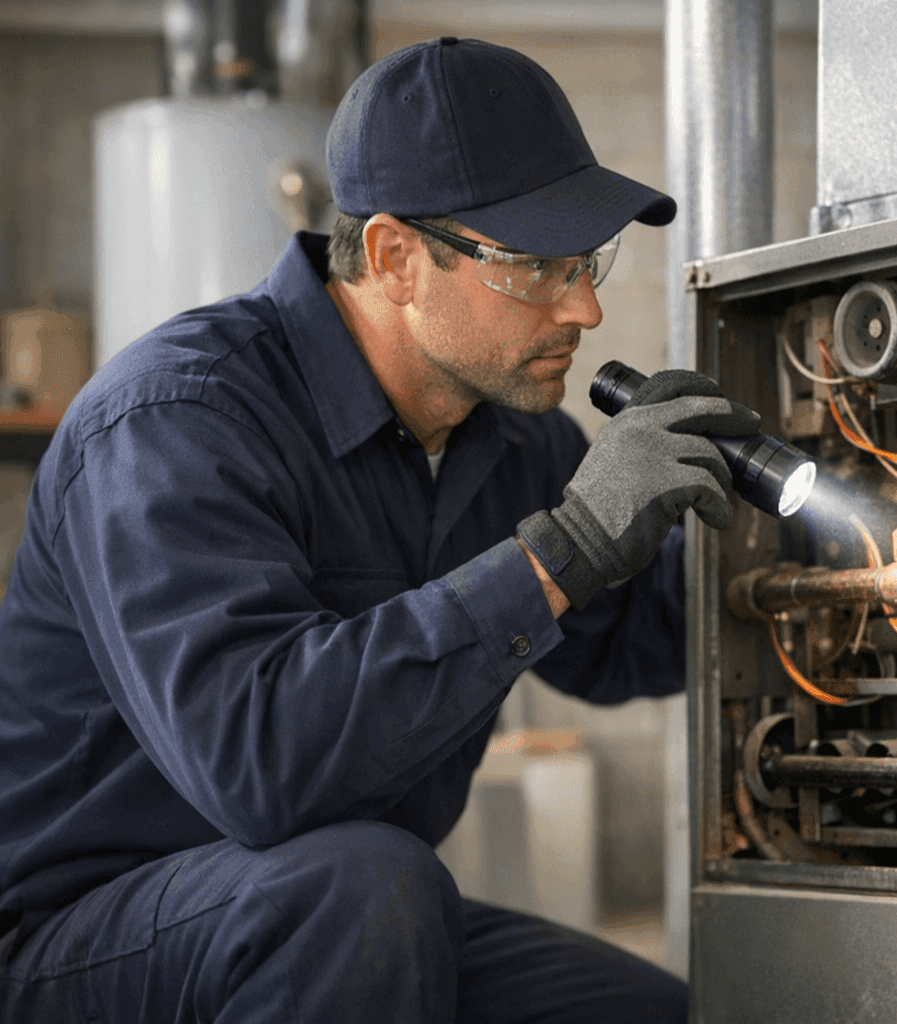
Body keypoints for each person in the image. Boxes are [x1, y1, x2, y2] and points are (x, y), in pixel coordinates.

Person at [0, 37, 755, 1023]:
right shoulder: (174, 423)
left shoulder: (507, 439)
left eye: (586, 262)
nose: (586, 306)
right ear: (398, 257)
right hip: (83, 939)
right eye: (538, 268)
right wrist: (562, 549)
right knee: (365, 886)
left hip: (340, 911)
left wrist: (757, 535)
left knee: (659, 1012)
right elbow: (261, 765)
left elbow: (624, 642)